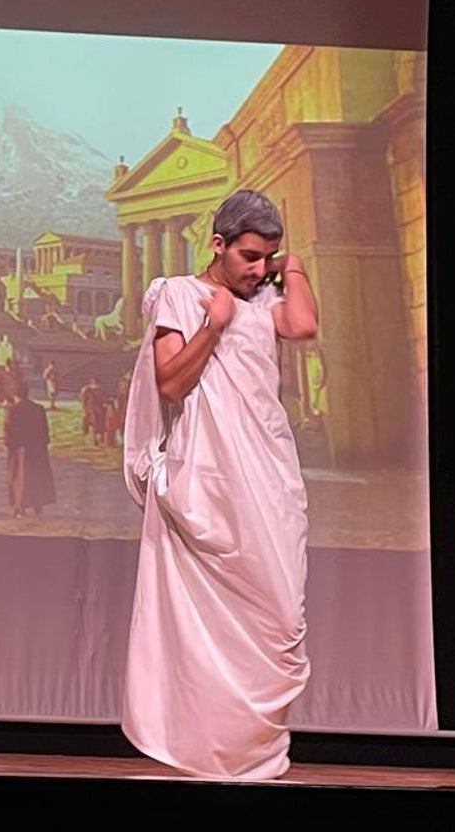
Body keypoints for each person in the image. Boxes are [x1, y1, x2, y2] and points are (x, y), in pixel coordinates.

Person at [121, 188, 319, 780]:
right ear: (218, 244)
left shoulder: (263, 299)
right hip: (208, 476)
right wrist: (212, 327)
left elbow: (304, 324)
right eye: (250, 257)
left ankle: (254, 747)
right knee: (209, 618)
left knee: (281, 611)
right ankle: (208, 748)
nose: (259, 269)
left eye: (267, 258)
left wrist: (294, 267)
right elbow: (171, 385)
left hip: (268, 469)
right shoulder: (179, 293)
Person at [3, 383, 55, 518]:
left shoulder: (12, 410)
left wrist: (10, 446)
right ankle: (38, 504)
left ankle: (20, 506)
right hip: (37, 448)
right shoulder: (39, 408)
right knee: (37, 475)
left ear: (15, 394)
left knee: (19, 477)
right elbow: (45, 430)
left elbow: (8, 431)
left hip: (20, 448)